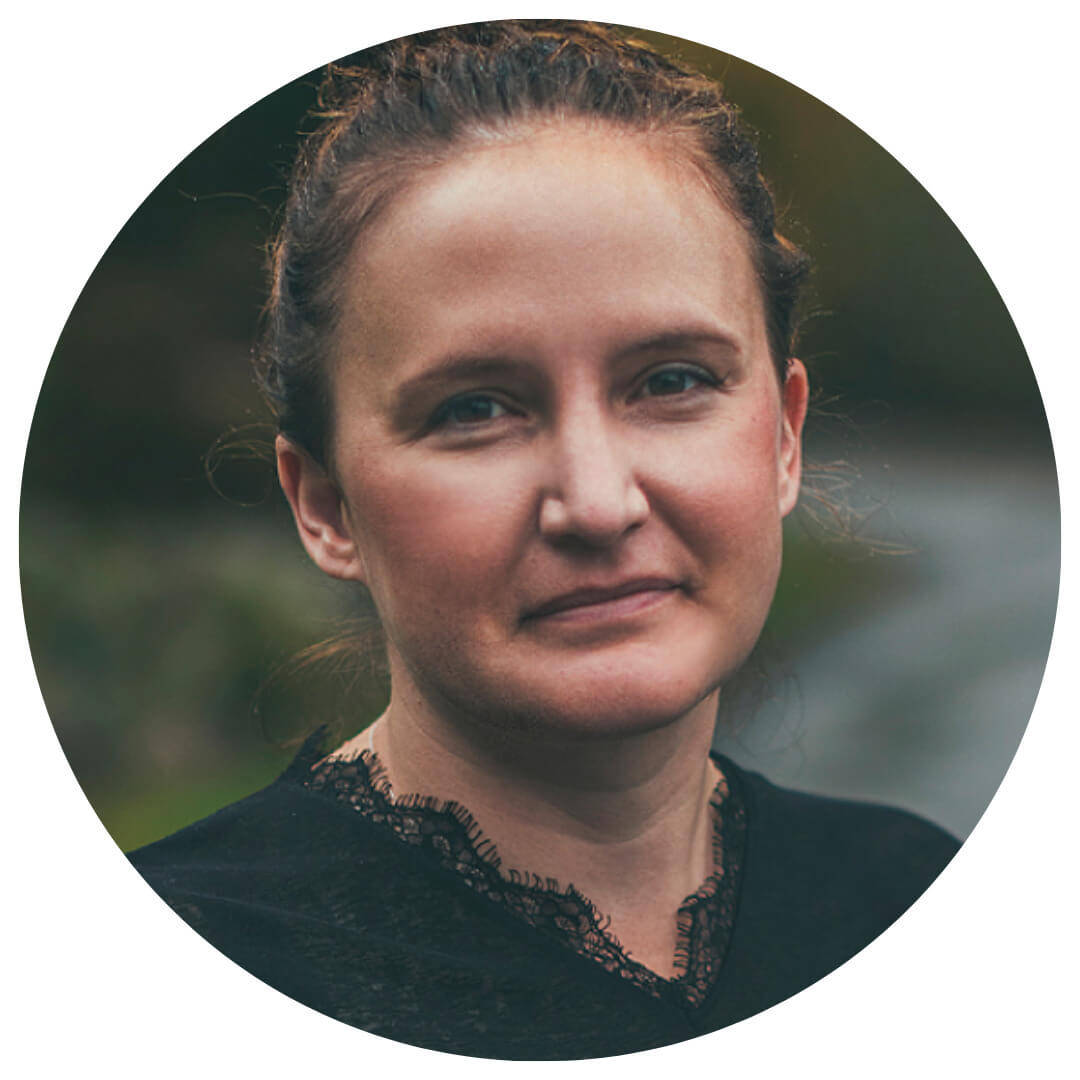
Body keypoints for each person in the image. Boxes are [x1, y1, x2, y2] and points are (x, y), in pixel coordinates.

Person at [129, 20, 959, 1059]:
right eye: (476, 408)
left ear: (783, 437)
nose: (599, 502)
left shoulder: (915, 900)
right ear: (326, 507)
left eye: (672, 382)